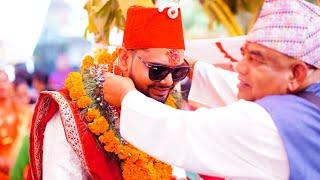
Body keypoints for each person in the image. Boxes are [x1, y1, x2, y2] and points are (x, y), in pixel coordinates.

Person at [102, 0, 320, 179]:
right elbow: (238, 90)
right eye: (244, 53)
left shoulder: (267, 124)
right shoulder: (308, 97)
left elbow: (182, 131)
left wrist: (126, 97)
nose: (240, 67)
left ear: (297, 74)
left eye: (256, 60)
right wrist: (186, 67)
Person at [29, 5, 190, 179]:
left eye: (178, 72)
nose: (168, 81)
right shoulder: (74, 113)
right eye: (157, 70)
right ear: (125, 58)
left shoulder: (167, 109)